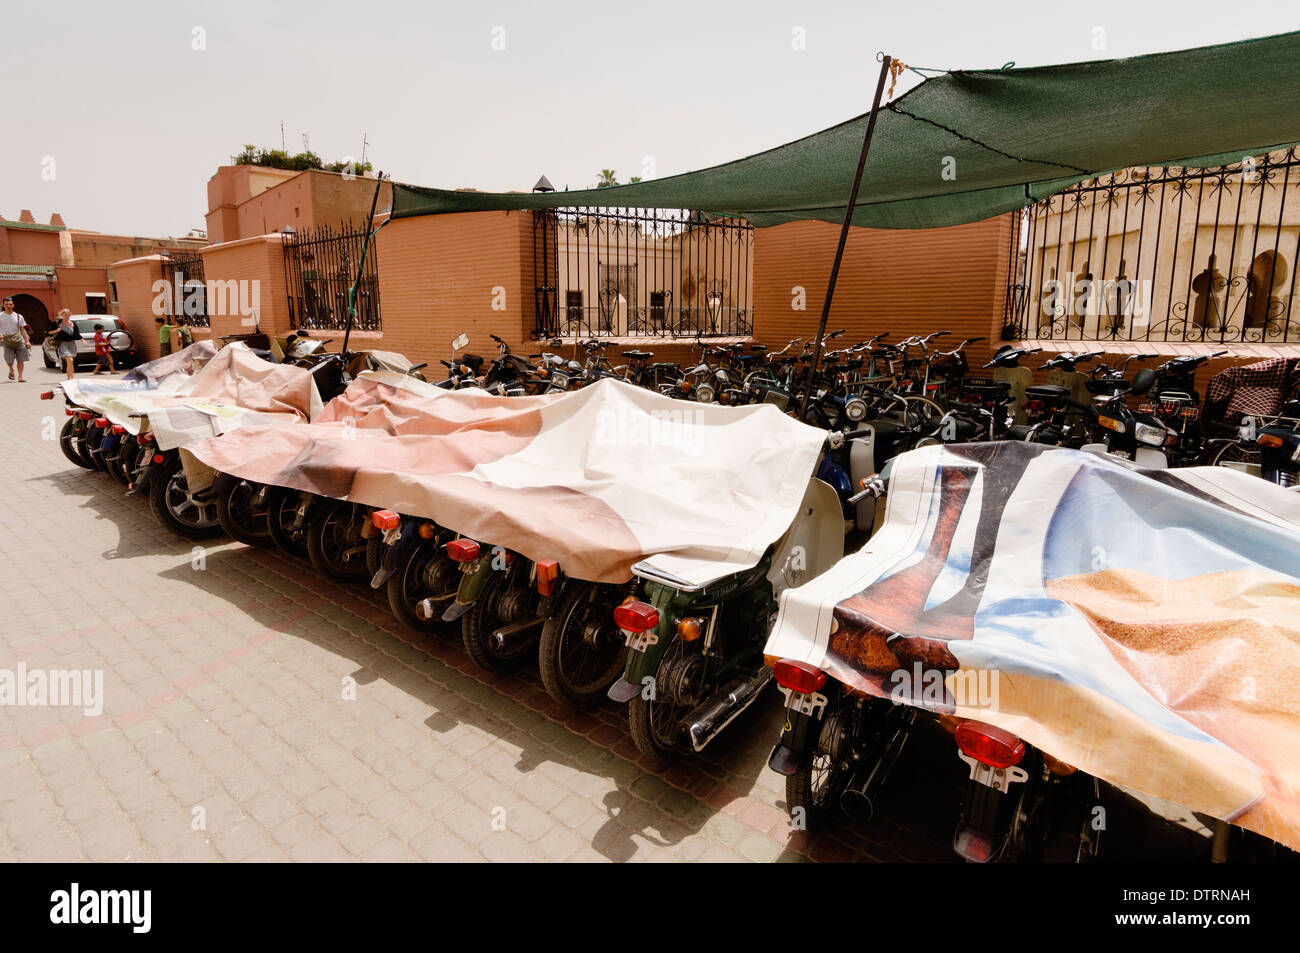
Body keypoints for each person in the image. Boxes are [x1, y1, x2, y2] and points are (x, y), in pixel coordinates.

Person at [0, 297, 31, 382]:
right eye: (6, 304)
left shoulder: (18, 316)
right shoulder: (0, 316)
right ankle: (11, 369)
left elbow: (22, 329)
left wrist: (27, 341)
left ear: (13, 305)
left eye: (10, 304)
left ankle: (20, 376)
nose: (8, 306)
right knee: (9, 359)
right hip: (7, 341)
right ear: (3, 305)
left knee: (20, 359)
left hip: (19, 340)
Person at [50, 309, 80, 380]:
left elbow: (77, 334)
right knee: (70, 360)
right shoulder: (58, 323)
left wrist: (82, 340)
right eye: (65, 315)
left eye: (68, 315)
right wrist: (57, 331)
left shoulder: (73, 323)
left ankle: (71, 377)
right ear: (62, 315)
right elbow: (49, 332)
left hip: (71, 344)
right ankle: (69, 378)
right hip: (63, 344)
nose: (67, 316)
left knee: (71, 361)